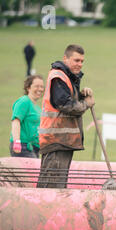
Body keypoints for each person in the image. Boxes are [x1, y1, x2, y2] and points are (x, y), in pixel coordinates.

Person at [36, 44, 95, 189]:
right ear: (65, 58)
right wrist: (86, 104)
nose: (80, 64)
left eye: (82, 61)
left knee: (57, 184)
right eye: (76, 60)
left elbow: (66, 99)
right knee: (51, 187)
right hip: (56, 141)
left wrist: (81, 95)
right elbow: (67, 106)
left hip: (62, 141)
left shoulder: (67, 77)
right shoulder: (58, 77)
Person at [9, 75, 44, 158]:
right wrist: (17, 142)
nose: (40, 89)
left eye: (42, 87)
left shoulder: (37, 107)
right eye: (36, 86)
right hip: (22, 146)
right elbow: (16, 121)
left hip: (34, 147)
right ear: (28, 88)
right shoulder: (24, 101)